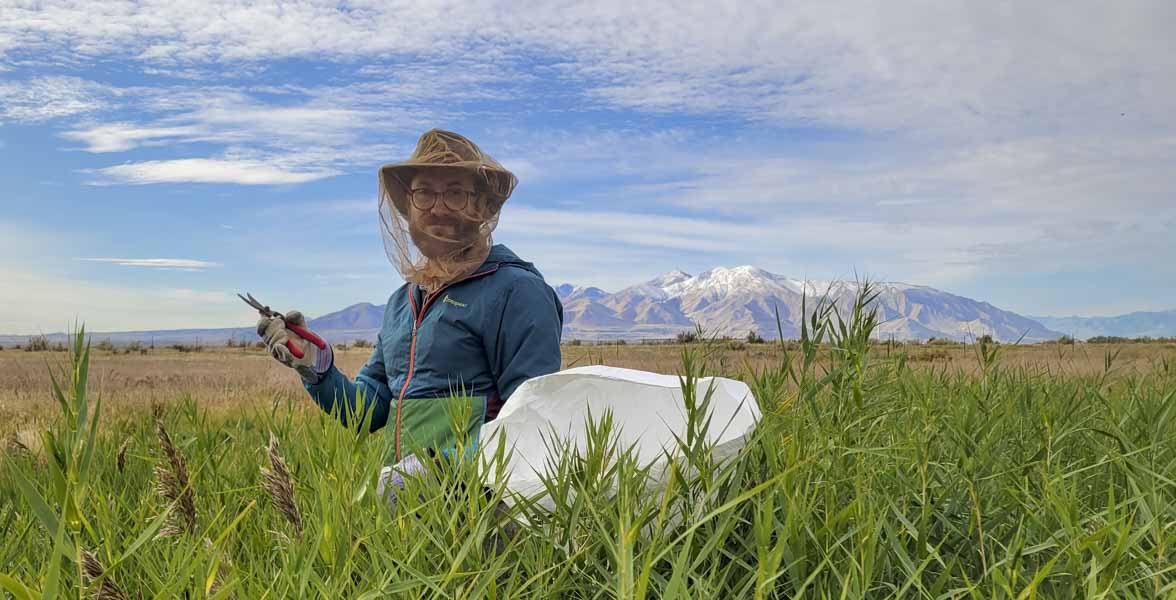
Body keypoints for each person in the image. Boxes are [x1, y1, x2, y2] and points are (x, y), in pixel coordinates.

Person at [256, 129, 564, 501]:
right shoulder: (403, 302)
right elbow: (370, 410)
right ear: (408, 206)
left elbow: (533, 417)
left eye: (456, 192)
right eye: (424, 193)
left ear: (483, 206)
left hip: (482, 514)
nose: (438, 206)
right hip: (406, 511)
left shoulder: (516, 291)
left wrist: (439, 467)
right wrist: (317, 370)